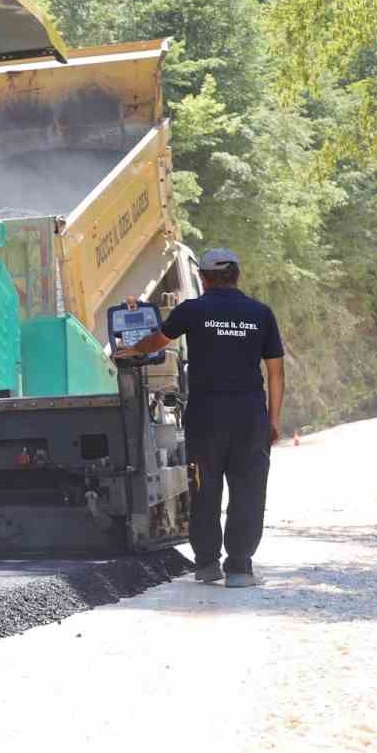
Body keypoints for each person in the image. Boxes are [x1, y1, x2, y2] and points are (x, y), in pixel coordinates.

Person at [112, 248, 285, 588]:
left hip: (206, 415)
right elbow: (276, 372)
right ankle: (239, 567)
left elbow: (157, 341)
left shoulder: (193, 310)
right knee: (248, 490)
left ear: (204, 279)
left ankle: (207, 564)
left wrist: (131, 350)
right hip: (250, 415)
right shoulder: (261, 313)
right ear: (236, 275)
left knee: (204, 488)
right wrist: (273, 419)